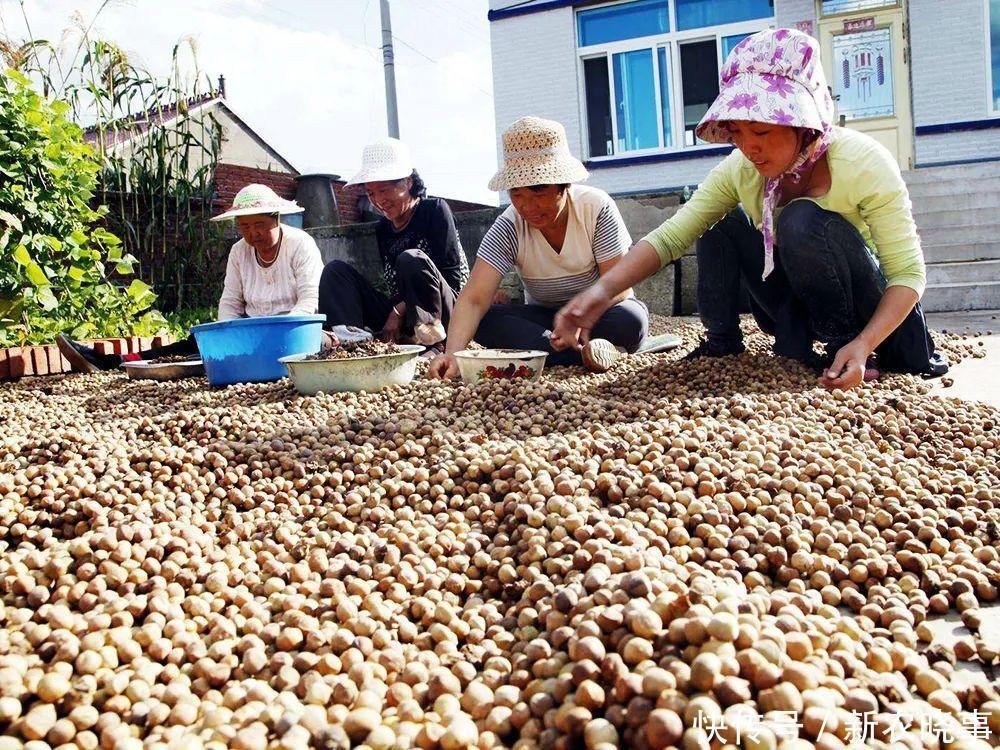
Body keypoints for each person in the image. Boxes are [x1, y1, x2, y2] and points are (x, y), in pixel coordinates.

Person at [552, 29, 947, 391]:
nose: (748, 147)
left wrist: (863, 343)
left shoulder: (863, 162)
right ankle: (722, 342)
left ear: (804, 125)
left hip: (865, 308)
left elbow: (909, 274)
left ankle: (843, 349)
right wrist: (599, 294)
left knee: (800, 218)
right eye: (737, 132)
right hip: (798, 302)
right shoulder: (740, 170)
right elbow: (672, 236)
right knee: (714, 218)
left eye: (762, 131)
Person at [427, 116, 649, 378]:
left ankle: (550, 354)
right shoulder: (509, 225)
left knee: (631, 320)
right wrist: (453, 354)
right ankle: (584, 355)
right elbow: (475, 298)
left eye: (539, 191)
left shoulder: (595, 208)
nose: (528, 207)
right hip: (546, 319)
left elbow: (619, 285)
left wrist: (578, 315)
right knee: (485, 321)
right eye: (517, 194)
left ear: (563, 185)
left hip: (598, 313)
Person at [57, 184, 324, 372]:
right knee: (188, 347)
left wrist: (281, 335)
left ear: (276, 220)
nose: (253, 234)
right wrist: (228, 340)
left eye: (259, 226)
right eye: (245, 227)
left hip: (294, 332)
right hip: (252, 332)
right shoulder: (239, 252)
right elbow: (230, 301)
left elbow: (309, 299)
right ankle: (115, 361)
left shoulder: (300, 244)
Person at [318, 138, 468, 353]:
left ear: (407, 183)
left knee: (412, 258)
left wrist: (398, 311)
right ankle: (352, 344)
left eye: (384, 190)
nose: (378, 200)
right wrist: (396, 312)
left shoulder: (434, 210)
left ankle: (431, 343)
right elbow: (395, 287)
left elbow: (452, 279)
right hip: (406, 314)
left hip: (447, 310)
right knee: (336, 271)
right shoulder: (383, 228)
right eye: (371, 193)